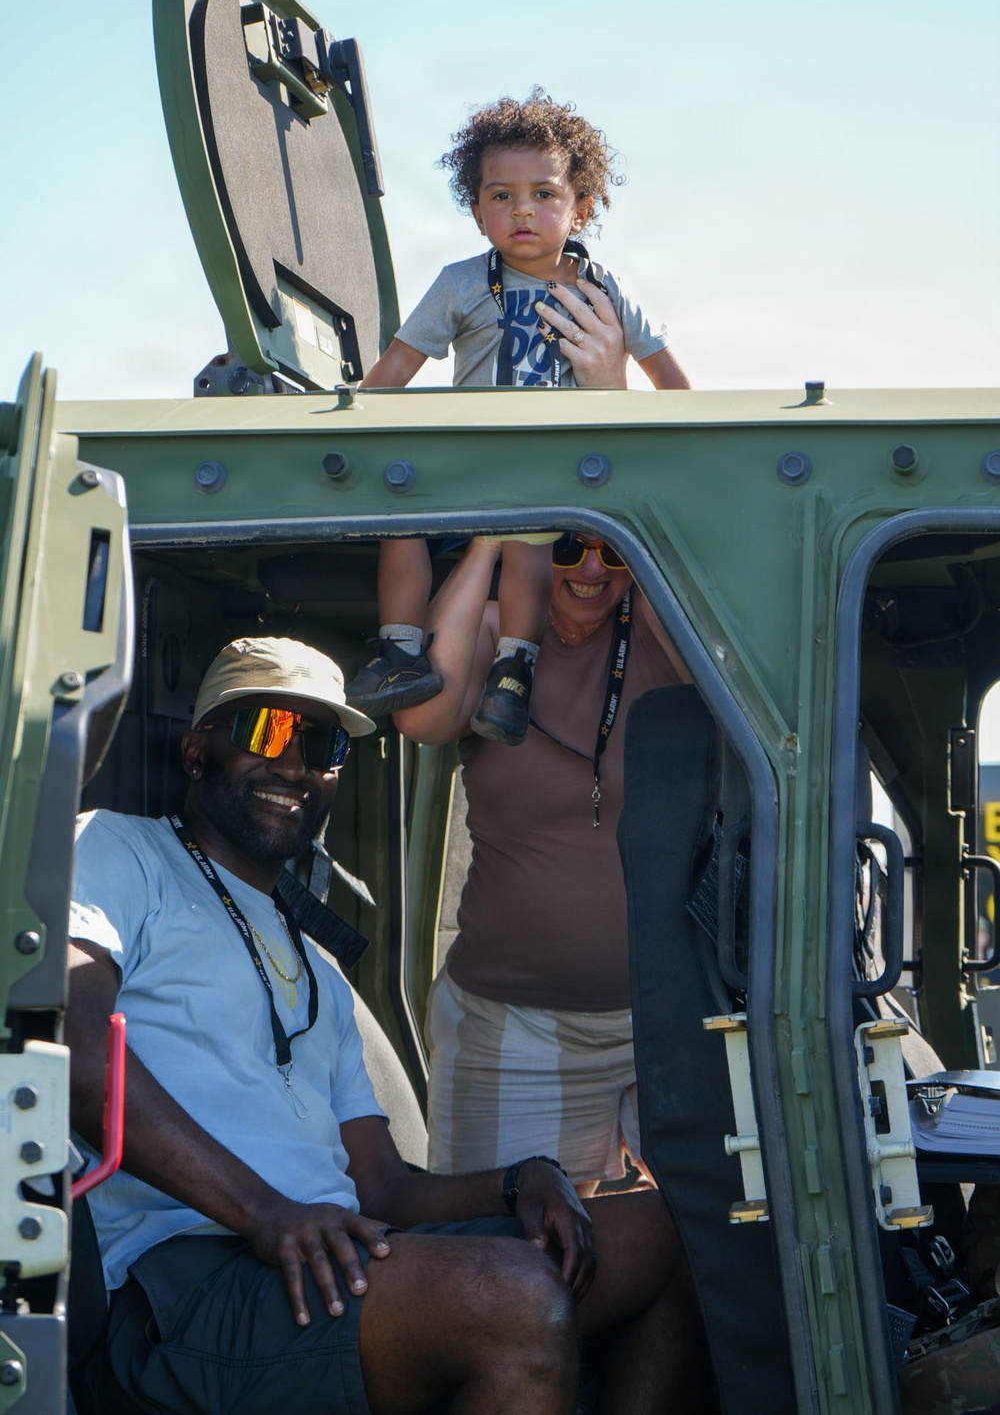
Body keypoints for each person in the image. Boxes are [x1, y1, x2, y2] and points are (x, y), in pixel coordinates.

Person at [66, 635, 702, 1415]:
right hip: (183, 1281)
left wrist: (523, 1177)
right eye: (266, 732)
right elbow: (75, 1045)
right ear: (199, 751)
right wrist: (268, 1213)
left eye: (322, 743)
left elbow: (383, 1187)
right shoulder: (116, 851)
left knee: (673, 1239)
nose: (295, 764)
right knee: (517, 1300)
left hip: (328, 1253)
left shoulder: (320, 972)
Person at [345, 88, 689, 747]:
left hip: (553, 469)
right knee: (399, 517)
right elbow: (390, 375)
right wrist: (351, 429)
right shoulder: (459, 284)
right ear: (477, 214)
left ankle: (513, 669)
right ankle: (400, 653)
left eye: (544, 194)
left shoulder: (607, 288)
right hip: (464, 461)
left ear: (581, 208)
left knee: (531, 546)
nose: (522, 210)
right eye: (500, 196)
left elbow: (676, 392)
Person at [393, 536, 690, 1194]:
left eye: (611, 551)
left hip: (673, 1019)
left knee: (711, 1249)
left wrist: (642, 553)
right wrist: (488, 542)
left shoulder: (656, 628)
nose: (589, 569)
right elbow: (424, 714)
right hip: (511, 1029)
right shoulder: (498, 635)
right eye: (565, 546)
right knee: (507, 1260)